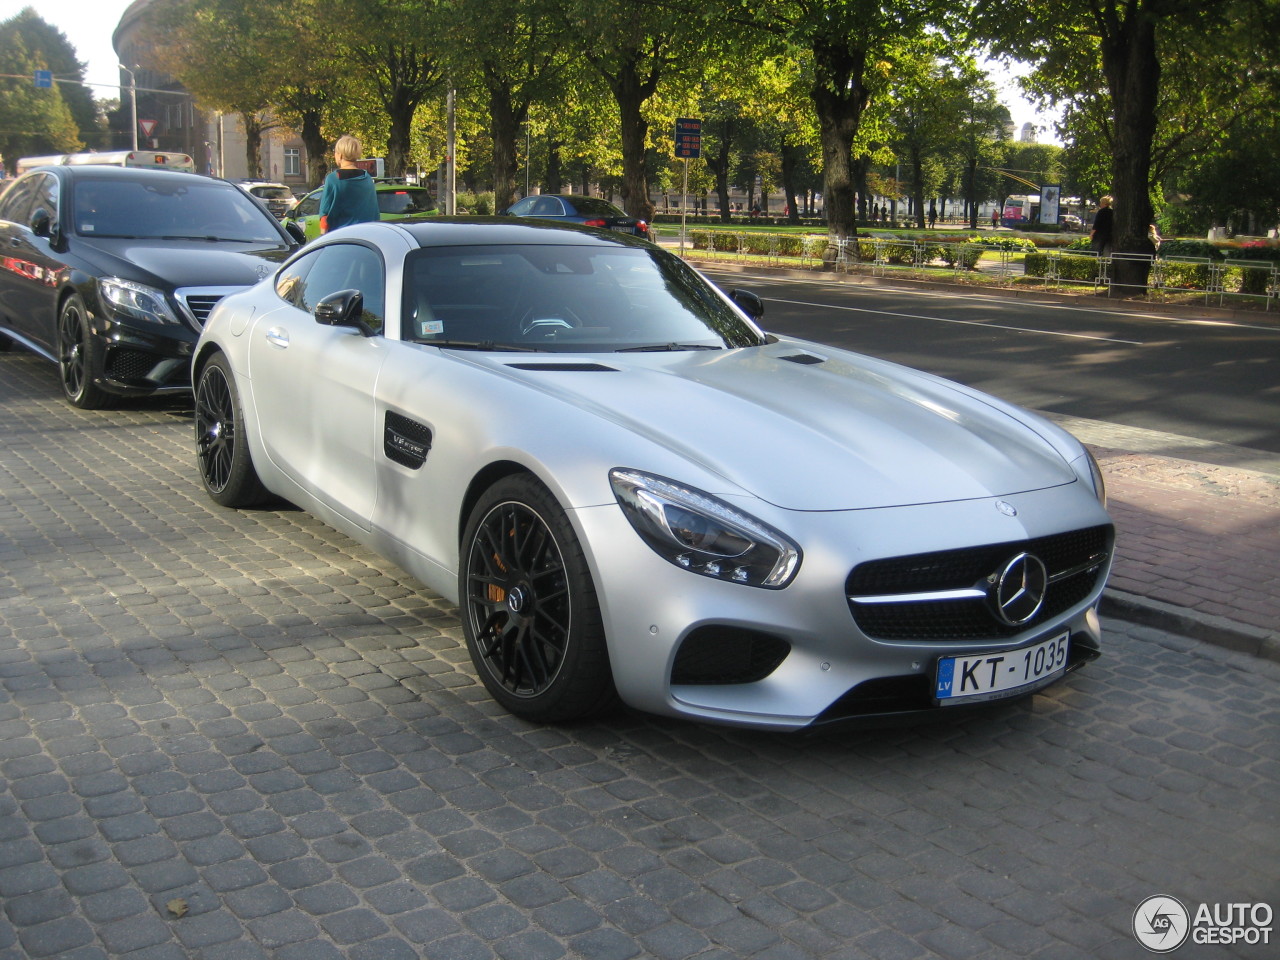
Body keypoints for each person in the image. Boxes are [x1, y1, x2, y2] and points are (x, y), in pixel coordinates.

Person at [318, 135, 379, 234]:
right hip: (367, 236)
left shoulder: (333, 179)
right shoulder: (367, 178)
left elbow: (325, 217)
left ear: (340, 155)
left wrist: (323, 239)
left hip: (342, 238)